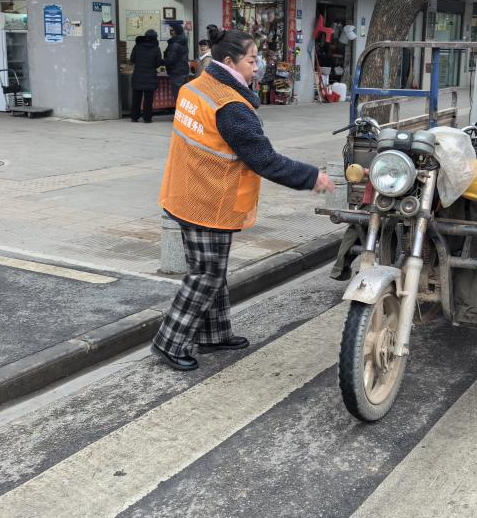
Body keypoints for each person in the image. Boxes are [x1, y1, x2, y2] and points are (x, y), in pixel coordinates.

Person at [152, 25, 336, 371]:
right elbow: (265, 160)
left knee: (211, 270)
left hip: (185, 192)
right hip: (208, 200)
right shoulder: (230, 106)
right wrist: (314, 177)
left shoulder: (197, 87)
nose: (258, 66)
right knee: (206, 273)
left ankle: (214, 334)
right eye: (252, 60)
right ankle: (169, 341)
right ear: (229, 62)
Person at [128, 29, 164, 123]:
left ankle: (134, 117)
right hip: (150, 77)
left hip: (138, 76)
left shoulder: (137, 46)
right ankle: (147, 118)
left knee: (136, 98)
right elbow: (158, 63)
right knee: (148, 100)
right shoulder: (156, 49)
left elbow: (132, 59)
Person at [163, 24, 191, 101]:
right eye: (170, 30)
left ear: (176, 32)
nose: (170, 32)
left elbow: (170, 59)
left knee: (178, 96)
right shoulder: (183, 42)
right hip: (183, 71)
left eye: (172, 30)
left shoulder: (175, 44)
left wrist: (160, 61)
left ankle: (179, 112)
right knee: (183, 96)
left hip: (177, 73)